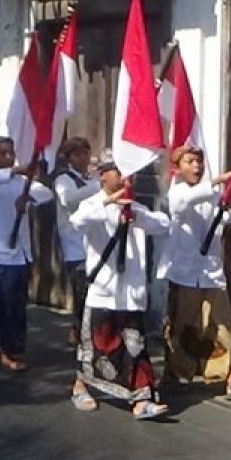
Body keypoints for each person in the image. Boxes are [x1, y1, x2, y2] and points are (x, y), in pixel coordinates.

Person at [69, 155, 170, 420]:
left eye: (130, 173)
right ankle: (81, 385)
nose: (127, 177)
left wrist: (135, 215)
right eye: (119, 172)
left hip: (131, 295)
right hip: (103, 291)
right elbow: (77, 222)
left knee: (135, 347)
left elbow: (163, 224)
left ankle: (141, 400)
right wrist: (108, 203)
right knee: (98, 348)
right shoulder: (92, 205)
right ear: (103, 175)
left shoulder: (136, 207)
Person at [161, 145, 231, 398]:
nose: (196, 167)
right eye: (190, 162)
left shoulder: (213, 197)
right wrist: (216, 183)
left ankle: (230, 377)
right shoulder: (177, 193)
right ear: (178, 167)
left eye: (199, 162)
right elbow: (180, 206)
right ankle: (175, 374)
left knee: (223, 328)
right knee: (182, 327)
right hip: (183, 274)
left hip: (212, 275)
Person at [0, 137, 53, 371]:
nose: (8, 157)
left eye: (10, 153)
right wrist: (16, 170)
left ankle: (9, 350)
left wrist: (28, 198)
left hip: (18, 254)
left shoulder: (21, 183)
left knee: (14, 307)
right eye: (2, 153)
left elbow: (46, 193)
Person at [53, 136, 99, 346]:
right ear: (69, 157)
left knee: (94, 292)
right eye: (77, 154)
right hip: (74, 245)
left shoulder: (91, 178)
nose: (83, 158)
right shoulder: (64, 180)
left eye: (85, 153)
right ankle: (78, 329)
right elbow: (68, 199)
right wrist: (98, 186)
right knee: (81, 291)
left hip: (94, 245)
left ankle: (87, 331)